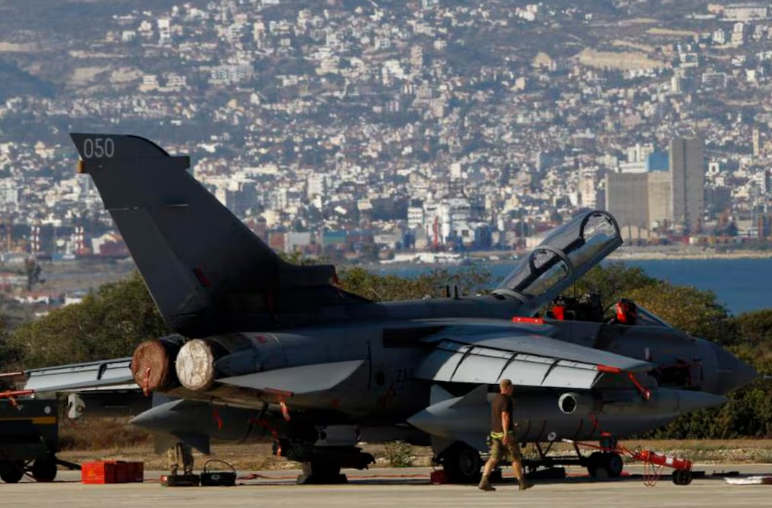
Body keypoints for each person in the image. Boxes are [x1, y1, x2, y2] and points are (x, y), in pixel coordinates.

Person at [478, 379, 532, 492]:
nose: (512, 390)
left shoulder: (495, 399)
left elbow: (497, 417)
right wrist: (506, 433)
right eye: (511, 388)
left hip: (494, 434)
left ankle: (484, 481)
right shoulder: (507, 400)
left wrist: (513, 424)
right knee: (515, 458)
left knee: (493, 458)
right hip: (505, 434)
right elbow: (504, 416)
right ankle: (522, 482)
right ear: (508, 388)